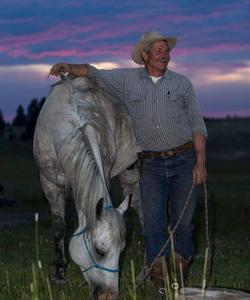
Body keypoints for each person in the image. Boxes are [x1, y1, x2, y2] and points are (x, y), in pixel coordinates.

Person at [50, 31, 207, 294]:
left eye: (166, 50)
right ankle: (160, 285)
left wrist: (200, 161)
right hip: (152, 165)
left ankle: (178, 280)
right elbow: (93, 72)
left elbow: (197, 125)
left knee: (183, 223)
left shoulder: (183, 84)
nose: (164, 54)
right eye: (157, 50)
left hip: (184, 159)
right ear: (144, 55)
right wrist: (68, 66)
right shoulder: (128, 80)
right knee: (154, 224)